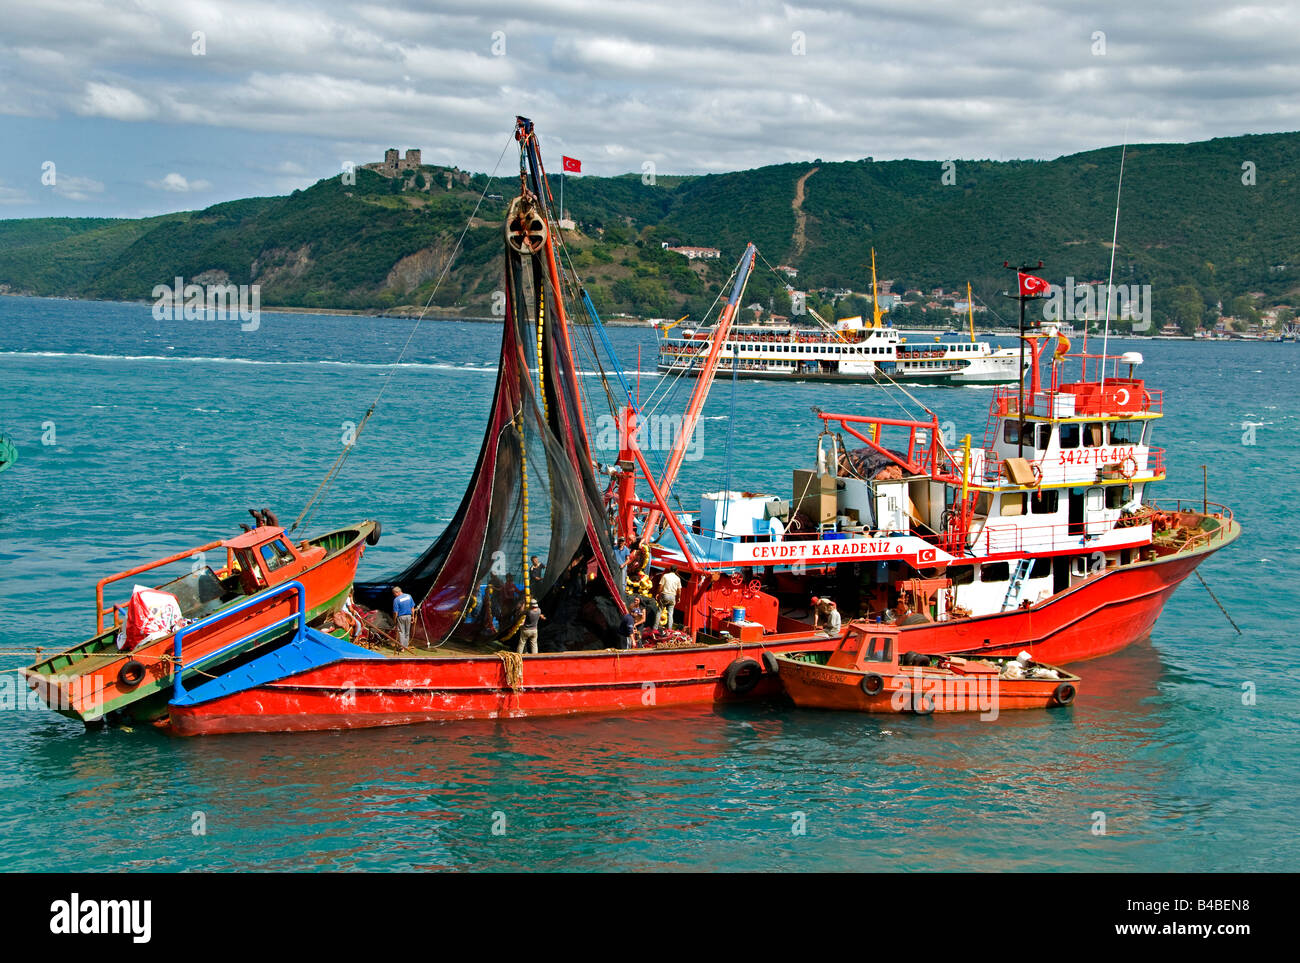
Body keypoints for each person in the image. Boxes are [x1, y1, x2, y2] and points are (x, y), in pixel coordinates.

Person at [391, 585, 414, 651]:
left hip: (401, 617)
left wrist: (394, 620)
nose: (394, 595)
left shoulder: (396, 600)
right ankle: (406, 646)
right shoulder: (409, 596)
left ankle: (401, 648)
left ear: (396, 592)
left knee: (401, 632)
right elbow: (412, 608)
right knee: (407, 632)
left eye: (394, 593)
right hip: (409, 616)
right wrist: (413, 616)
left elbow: (396, 612)